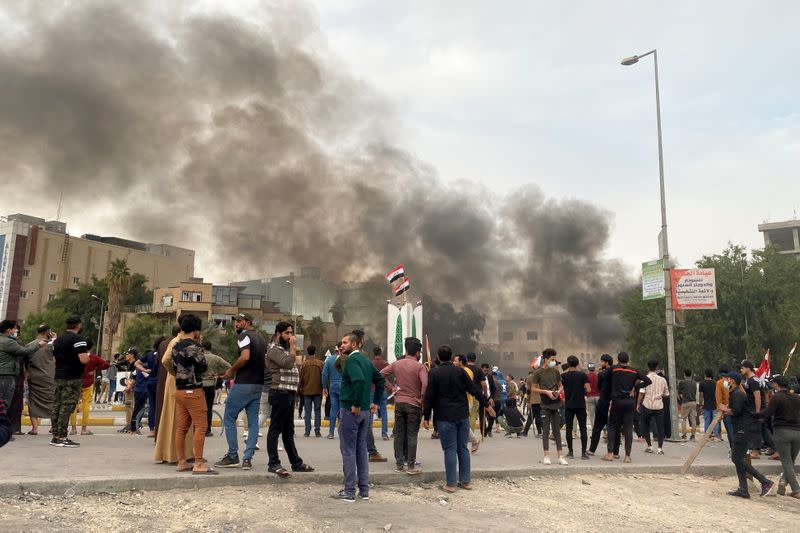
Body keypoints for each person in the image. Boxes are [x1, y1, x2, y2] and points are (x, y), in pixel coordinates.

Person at [423, 345, 493, 493]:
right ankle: (466, 481)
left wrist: (426, 416)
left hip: (444, 416)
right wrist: (486, 403)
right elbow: (474, 390)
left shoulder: (434, 373)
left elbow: (429, 396)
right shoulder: (460, 372)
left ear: (439, 357)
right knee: (463, 449)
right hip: (462, 415)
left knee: (449, 449)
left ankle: (450, 484)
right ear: (451, 356)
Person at [332, 331, 385, 502]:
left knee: (348, 450)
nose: (342, 346)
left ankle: (349, 491)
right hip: (364, 413)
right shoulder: (365, 360)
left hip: (351, 410)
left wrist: (355, 403)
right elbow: (381, 380)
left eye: (345, 343)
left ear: (354, 345)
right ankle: (364, 490)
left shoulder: (352, 360)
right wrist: (375, 402)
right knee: (361, 450)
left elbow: (359, 381)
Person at [163, 313, 215, 475]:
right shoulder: (195, 346)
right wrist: (198, 345)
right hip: (194, 390)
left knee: (182, 428)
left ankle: (182, 462)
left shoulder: (176, 345)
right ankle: (199, 463)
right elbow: (203, 366)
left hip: (179, 391)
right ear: (195, 331)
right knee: (201, 426)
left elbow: (169, 362)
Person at [216, 313, 266, 470]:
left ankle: (232, 455)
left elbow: (245, 357)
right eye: (235, 322)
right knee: (252, 422)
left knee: (229, 417)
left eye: (239, 321)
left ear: (248, 323)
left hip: (243, 383)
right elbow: (265, 363)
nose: (236, 324)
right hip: (258, 384)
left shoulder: (244, 336)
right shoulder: (261, 339)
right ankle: (247, 459)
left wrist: (231, 370)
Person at [264, 321, 313, 477]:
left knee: (288, 430)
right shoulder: (273, 349)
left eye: (291, 333)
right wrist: (293, 348)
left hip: (289, 393)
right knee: (275, 429)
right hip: (280, 392)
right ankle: (273, 463)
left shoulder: (283, 350)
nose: (291, 336)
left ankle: (296, 463)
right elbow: (287, 364)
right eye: (287, 333)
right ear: (279, 334)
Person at [721, 371, 775, 498]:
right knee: (738, 459)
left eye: (727, 379)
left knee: (737, 458)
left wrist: (725, 410)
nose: (726, 381)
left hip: (743, 429)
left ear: (733, 381)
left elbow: (736, 411)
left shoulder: (738, 394)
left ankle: (765, 481)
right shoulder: (735, 393)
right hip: (741, 429)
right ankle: (743, 489)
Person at [381, 337, 428, 474]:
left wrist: (392, 388)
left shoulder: (397, 364)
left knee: (399, 435)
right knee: (412, 435)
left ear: (406, 349)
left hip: (400, 403)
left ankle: (399, 465)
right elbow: (425, 383)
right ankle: (411, 466)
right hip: (414, 404)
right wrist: (421, 398)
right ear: (418, 352)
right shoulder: (420, 366)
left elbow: (380, 374)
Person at [154, 320, 194, 464]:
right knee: (179, 417)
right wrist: (176, 372)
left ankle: (172, 453)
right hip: (177, 382)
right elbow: (166, 360)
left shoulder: (175, 341)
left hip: (173, 382)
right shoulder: (178, 341)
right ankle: (177, 454)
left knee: (174, 416)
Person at [755, 375, 800, 498]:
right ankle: (783, 482)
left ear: (776, 384)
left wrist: (755, 415)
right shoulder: (797, 397)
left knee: (786, 461)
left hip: (782, 432)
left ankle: (796, 489)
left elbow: (767, 413)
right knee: (790, 461)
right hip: (797, 432)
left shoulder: (777, 397)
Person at [604, 352, 651, 463]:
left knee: (612, 426)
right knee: (628, 428)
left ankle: (610, 453)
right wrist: (635, 387)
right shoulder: (634, 371)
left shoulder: (614, 369)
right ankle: (627, 456)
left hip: (617, 401)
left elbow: (604, 377)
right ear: (628, 360)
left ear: (618, 359)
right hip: (629, 402)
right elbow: (648, 381)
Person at [50, 315, 90, 447]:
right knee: (66, 407)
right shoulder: (79, 339)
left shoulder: (58, 340)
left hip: (59, 376)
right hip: (72, 377)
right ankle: (62, 437)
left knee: (57, 405)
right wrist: (88, 358)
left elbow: (54, 360)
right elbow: (84, 359)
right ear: (78, 325)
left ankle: (55, 435)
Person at [530, 349, 567, 465]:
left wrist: (557, 391)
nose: (554, 362)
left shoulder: (555, 372)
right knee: (545, 431)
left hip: (556, 404)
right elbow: (533, 389)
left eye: (555, 360)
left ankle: (560, 456)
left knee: (557, 431)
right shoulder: (538, 373)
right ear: (545, 359)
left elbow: (561, 386)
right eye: (552, 360)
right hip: (545, 404)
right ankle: (546, 456)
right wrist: (546, 392)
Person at [0, 320, 44, 410]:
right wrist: (38, 345)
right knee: (4, 404)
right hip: (6, 375)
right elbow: (24, 351)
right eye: (15, 328)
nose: (16, 331)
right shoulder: (8, 342)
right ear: (8, 330)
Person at [25, 325, 56, 435]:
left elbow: (25, 361)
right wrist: (55, 339)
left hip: (34, 377)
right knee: (52, 401)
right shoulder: (51, 345)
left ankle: (35, 429)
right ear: (47, 332)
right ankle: (54, 427)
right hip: (49, 377)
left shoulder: (29, 345)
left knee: (33, 402)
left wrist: (27, 374)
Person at [562, 355, 591, 459]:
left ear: (568, 364)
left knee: (569, 429)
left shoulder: (563, 376)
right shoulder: (582, 375)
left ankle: (570, 452)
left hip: (569, 405)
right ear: (577, 363)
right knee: (583, 428)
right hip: (580, 405)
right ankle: (583, 453)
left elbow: (560, 388)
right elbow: (588, 389)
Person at [637, 360, 669, 455]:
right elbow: (666, 394)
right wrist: (659, 395)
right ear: (656, 368)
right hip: (659, 406)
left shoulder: (645, 379)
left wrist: (638, 404)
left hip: (647, 405)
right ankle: (660, 448)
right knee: (660, 427)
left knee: (646, 426)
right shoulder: (662, 380)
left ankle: (649, 446)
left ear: (648, 368)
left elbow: (641, 393)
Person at [154, 326, 181, 439]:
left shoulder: (162, 344)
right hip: (173, 378)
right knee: (174, 409)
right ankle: (172, 437)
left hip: (161, 379)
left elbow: (157, 362)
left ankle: (159, 435)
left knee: (160, 408)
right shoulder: (178, 343)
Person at [200, 340, 230, 437]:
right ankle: (207, 430)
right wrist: (220, 374)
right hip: (210, 385)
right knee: (209, 408)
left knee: (199, 408)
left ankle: (199, 429)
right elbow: (228, 366)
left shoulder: (199, 357)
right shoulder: (216, 358)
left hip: (200, 385)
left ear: (203, 348)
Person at [740, 360, 769, 459]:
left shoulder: (753, 381)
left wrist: (758, 412)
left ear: (748, 368)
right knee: (763, 431)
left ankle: (756, 451)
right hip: (753, 408)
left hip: (756, 409)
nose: (741, 370)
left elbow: (758, 397)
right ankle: (775, 448)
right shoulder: (750, 380)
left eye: (742, 368)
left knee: (754, 430)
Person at [588, 354, 614, 455]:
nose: (600, 363)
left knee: (597, 427)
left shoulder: (602, 374)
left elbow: (599, 387)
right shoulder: (616, 371)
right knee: (613, 427)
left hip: (603, 402)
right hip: (614, 402)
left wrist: (599, 373)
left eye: (602, 361)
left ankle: (592, 450)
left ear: (606, 362)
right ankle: (614, 452)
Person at [298, 345, 324, 438]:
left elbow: (300, 378)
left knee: (307, 411)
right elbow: (324, 377)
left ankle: (307, 431)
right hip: (318, 390)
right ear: (315, 351)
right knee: (317, 411)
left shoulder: (304, 364)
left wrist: (299, 389)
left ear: (307, 352)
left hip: (306, 391)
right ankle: (317, 431)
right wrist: (324, 388)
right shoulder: (321, 363)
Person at [465, 353, 487, 451]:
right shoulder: (478, 370)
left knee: (465, 415)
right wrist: (485, 393)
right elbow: (484, 384)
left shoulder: (464, 369)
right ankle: (471, 435)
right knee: (473, 415)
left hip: (465, 395)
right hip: (476, 395)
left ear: (466, 359)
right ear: (476, 359)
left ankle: (468, 435)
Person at [323, 342, 344, 439]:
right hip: (344, 386)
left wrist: (324, 387)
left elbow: (324, 374)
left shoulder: (329, 359)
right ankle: (341, 432)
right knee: (343, 409)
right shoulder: (345, 360)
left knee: (333, 408)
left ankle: (331, 432)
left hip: (332, 385)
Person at [698, 368, 720, 441]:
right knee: (715, 421)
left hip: (706, 404)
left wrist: (701, 404)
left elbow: (701, 395)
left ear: (705, 374)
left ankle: (707, 435)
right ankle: (716, 435)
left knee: (707, 420)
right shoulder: (715, 383)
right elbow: (717, 394)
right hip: (714, 404)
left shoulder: (702, 383)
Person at [716, 365, 734, 447]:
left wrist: (720, 410)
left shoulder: (720, 383)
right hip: (737, 410)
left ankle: (733, 449)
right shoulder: (735, 381)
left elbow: (718, 400)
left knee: (730, 431)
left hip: (727, 411)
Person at [678, 369, 698, 440]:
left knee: (684, 419)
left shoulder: (682, 382)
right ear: (691, 375)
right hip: (693, 402)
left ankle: (684, 435)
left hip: (685, 402)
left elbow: (679, 393)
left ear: (684, 375)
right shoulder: (694, 383)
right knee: (693, 419)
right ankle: (693, 435)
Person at [586, 362, 600, 429]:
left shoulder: (586, 376)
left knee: (592, 416)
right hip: (598, 396)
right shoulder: (597, 376)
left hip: (590, 397)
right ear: (594, 369)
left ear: (588, 368)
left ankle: (594, 431)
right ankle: (605, 432)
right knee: (599, 415)